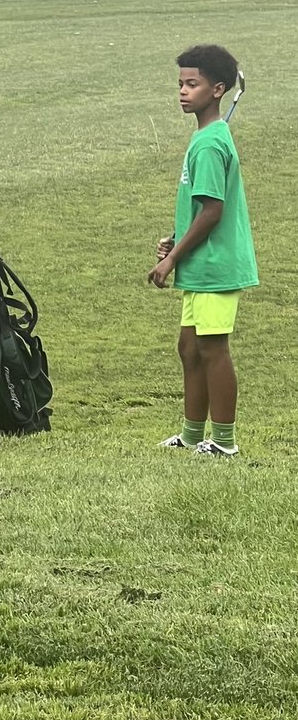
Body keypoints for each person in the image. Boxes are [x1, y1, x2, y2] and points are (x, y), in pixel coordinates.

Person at [149, 45, 258, 457]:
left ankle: (224, 444)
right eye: (179, 84)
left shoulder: (210, 144)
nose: (182, 91)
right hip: (200, 261)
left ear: (218, 90)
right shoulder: (205, 137)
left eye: (191, 84)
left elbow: (213, 211)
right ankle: (192, 434)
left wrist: (172, 258)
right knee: (189, 348)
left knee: (213, 349)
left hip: (216, 266)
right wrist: (176, 240)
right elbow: (200, 208)